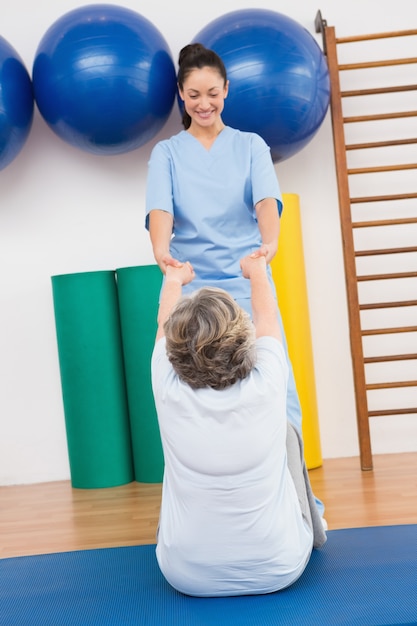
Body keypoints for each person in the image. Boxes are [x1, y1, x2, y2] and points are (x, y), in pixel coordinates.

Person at [145, 42, 325, 518]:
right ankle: (209, 515)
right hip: (193, 293)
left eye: (212, 93)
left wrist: (268, 244)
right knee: (191, 399)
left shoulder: (250, 146)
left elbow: (268, 202)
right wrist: (162, 253)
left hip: (247, 283)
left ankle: (299, 509)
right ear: (181, 96)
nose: (204, 104)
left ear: (226, 90)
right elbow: (160, 211)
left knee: (278, 393)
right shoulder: (166, 153)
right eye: (193, 95)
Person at [151, 254, 326, 597]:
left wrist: (173, 278)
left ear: (175, 348)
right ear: (239, 337)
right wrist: (257, 270)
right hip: (280, 566)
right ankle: (316, 529)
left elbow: (163, 323)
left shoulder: (166, 386)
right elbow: (266, 317)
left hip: (186, 576)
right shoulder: (268, 384)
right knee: (288, 432)